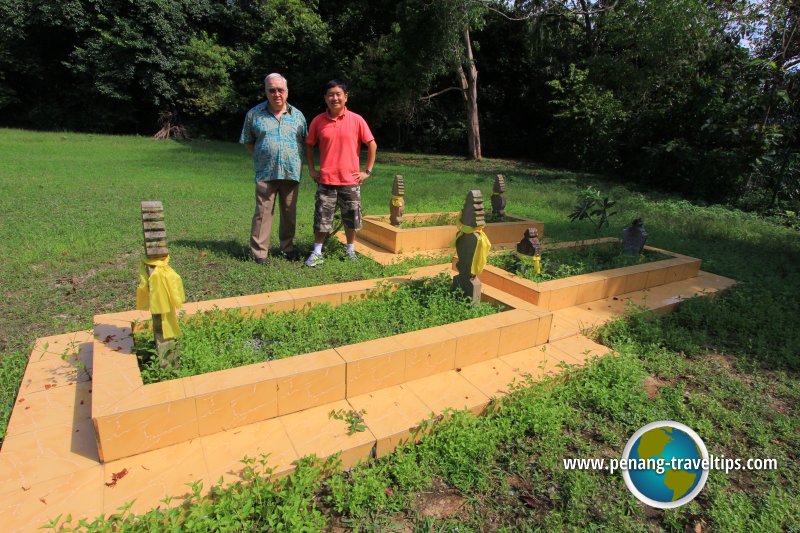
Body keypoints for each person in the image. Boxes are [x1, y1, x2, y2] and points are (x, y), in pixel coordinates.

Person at [304, 80, 377, 267]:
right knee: (322, 218)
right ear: (325, 98)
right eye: (330, 94)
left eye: (338, 94)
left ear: (346, 97)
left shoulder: (357, 120)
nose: (334, 98)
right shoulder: (318, 121)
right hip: (326, 179)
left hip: (350, 180)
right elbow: (309, 145)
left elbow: (371, 144)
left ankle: (350, 250)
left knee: (352, 217)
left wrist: (367, 171)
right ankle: (317, 252)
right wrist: (312, 169)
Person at [240, 73, 307, 263]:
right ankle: (259, 252)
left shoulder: (298, 116)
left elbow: (305, 142)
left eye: (280, 90)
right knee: (262, 213)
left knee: (289, 213)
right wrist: (263, 156)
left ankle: (287, 248)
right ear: (266, 91)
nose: (276, 94)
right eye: (272, 90)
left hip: (291, 172)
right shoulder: (254, 114)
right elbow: (248, 142)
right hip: (266, 172)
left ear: (287, 91)